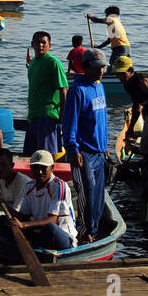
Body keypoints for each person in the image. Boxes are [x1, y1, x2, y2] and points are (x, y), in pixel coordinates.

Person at [63, 49, 108, 239]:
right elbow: (69, 122)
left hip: (99, 151)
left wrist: (105, 146)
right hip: (83, 152)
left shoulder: (99, 86)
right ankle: (83, 231)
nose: (101, 71)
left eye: (103, 68)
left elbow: (102, 119)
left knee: (98, 195)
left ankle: (93, 229)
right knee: (86, 194)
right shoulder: (77, 90)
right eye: (97, 68)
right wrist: (72, 149)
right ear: (86, 67)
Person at [114, 55, 148, 199]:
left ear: (131, 70)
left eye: (122, 73)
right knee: (145, 149)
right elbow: (137, 107)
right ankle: (147, 173)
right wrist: (130, 129)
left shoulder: (144, 82)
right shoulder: (127, 84)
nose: (119, 76)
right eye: (117, 73)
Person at [7, 149, 76, 251]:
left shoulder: (59, 185)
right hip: (39, 233)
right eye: (35, 168)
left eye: (43, 168)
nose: (39, 172)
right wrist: (2, 202)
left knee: (50, 228)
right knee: (2, 221)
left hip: (61, 236)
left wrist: (23, 225)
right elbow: (24, 216)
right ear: (31, 168)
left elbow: (53, 219)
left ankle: (32, 246)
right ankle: (31, 246)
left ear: (52, 168)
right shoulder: (29, 186)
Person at [23, 30, 67, 157]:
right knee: (31, 156)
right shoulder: (32, 63)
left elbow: (64, 90)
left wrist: (62, 116)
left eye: (44, 42)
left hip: (48, 115)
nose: (40, 45)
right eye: (38, 42)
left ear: (50, 45)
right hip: (33, 115)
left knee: (45, 157)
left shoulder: (53, 62)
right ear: (32, 44)